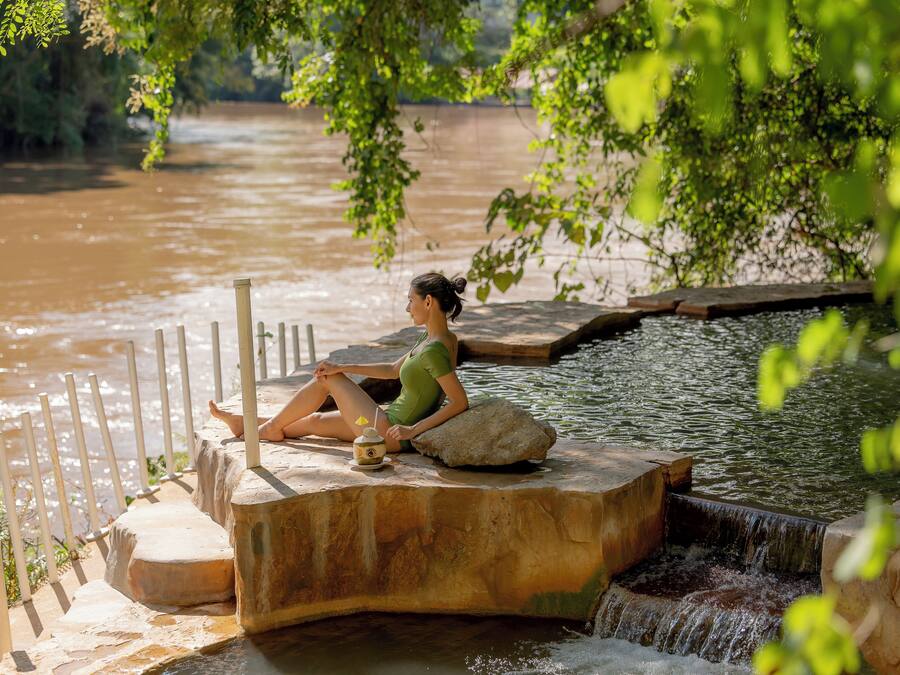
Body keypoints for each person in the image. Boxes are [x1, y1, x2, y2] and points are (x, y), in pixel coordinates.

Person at [208, 272, 469, 452]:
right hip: (381, 421)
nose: (407, 307)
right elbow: (391, 371)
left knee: (328, 379)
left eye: (410, 300)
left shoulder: (435, 348)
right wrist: (344, 367)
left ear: (428, 301)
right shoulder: (439, 339)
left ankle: (270, 427)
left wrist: (412, 430)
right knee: (316, 422)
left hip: (386, 433)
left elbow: (459, 401)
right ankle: (249, 425)